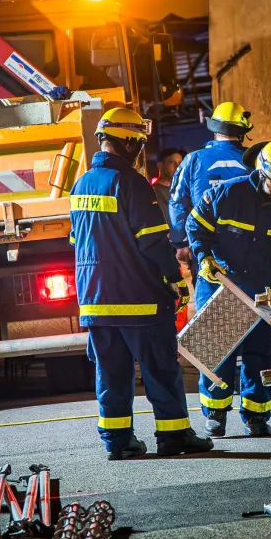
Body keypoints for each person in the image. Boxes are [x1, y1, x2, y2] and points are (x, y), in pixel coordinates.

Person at [69, 107, 214, 460]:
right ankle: (174, 436)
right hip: (139, 299)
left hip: (94, 300)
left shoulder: (81, 184)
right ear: (129, 141)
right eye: (138, 142)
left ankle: (118, 442)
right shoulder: (131, 183)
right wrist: (175, 282)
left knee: (111, 373)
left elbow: (77, 240)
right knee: (161, 370)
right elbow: (152, 242)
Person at [185, 140, 271, 437]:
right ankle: (216, 413)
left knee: (262, 355)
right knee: (219, 352)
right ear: (261, 169)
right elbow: (195, 227)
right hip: (222, 284)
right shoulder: (227, 193)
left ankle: (256, 416)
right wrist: (204, 258)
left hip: (266, 291)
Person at [168, 102, 253, 266]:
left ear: (214, 129)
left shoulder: (193, 160)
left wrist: (180, 243)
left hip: (204, 248)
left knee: (209, 288)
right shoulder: (255, 161)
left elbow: (177, 201)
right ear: (242, 132)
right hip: (248, 249)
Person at [151, 147, 184, 223]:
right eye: (172, 162)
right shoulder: (154, 192)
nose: (177, 167)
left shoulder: (183, 190)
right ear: (160, 165)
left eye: (180, 163)